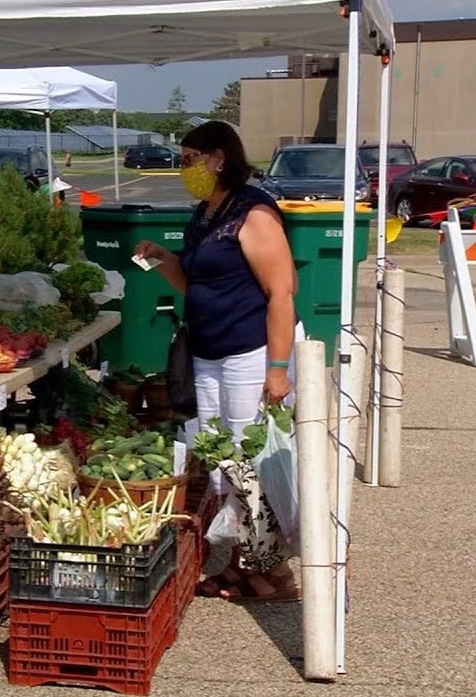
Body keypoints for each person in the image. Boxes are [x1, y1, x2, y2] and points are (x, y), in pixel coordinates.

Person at [135, 120, 303, 602]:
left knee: (250, 462)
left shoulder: (253, 214)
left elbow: (281, 293)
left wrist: (276, 368)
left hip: (250, 352)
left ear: (219, 158)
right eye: (183, 159)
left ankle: (274, 575)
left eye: (191, 159)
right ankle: (242, 563)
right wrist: (165, 259)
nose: (185, 168)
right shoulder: (207, 213)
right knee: (220, 462)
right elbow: (197, 285)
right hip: (208, 352)